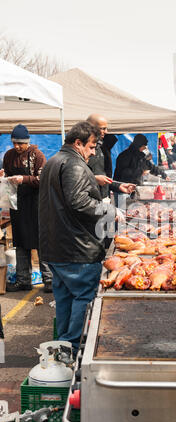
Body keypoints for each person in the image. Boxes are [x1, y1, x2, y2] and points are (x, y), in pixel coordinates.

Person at [39, 121, 115, 355]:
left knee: (64, 299)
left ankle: (62, 345)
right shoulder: (74, 164)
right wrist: (109, 210)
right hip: (77, 248)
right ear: (78, 143)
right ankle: (70, 347)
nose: (93, 153)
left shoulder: (53, 161)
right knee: (82, 297)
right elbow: (79, 202)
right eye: (92, 147)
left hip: (55, 246)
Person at [3, 124, 53, 293]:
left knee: (41, 242)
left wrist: (23, 179)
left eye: (20, 143)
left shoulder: (36, 155)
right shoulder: (9, 156)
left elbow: (43, 179)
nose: (17, 146)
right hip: (18, 205)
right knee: (20, 242)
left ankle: (49, 280)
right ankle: (23, 280)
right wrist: (5, 177)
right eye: (14, 143)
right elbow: (8, 177)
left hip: (37, 204)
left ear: (27, 142)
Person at [86, 114, 136, 198]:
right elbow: (75, 180)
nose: (106, 132)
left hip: (102, 199)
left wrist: (118, 186)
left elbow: (103, 177)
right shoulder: (80, 151)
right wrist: (94, 179)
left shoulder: (100, 148)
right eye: (103, 128)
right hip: (90, 202)